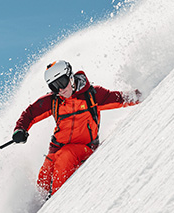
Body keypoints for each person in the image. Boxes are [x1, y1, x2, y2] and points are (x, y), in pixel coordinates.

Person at [12, 60, 141, 199]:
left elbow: (120, 98)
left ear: (70, 76)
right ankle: (42, 206)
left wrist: (143, 92)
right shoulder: (54, 101)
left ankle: (55, 204)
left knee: (65, 157)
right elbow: (30, 113)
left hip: (84, 148)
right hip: (56, 149)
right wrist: (20, 129)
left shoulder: (91, 95)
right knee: (45, 176)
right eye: (54, 86)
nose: (60, 89)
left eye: (62, 82)